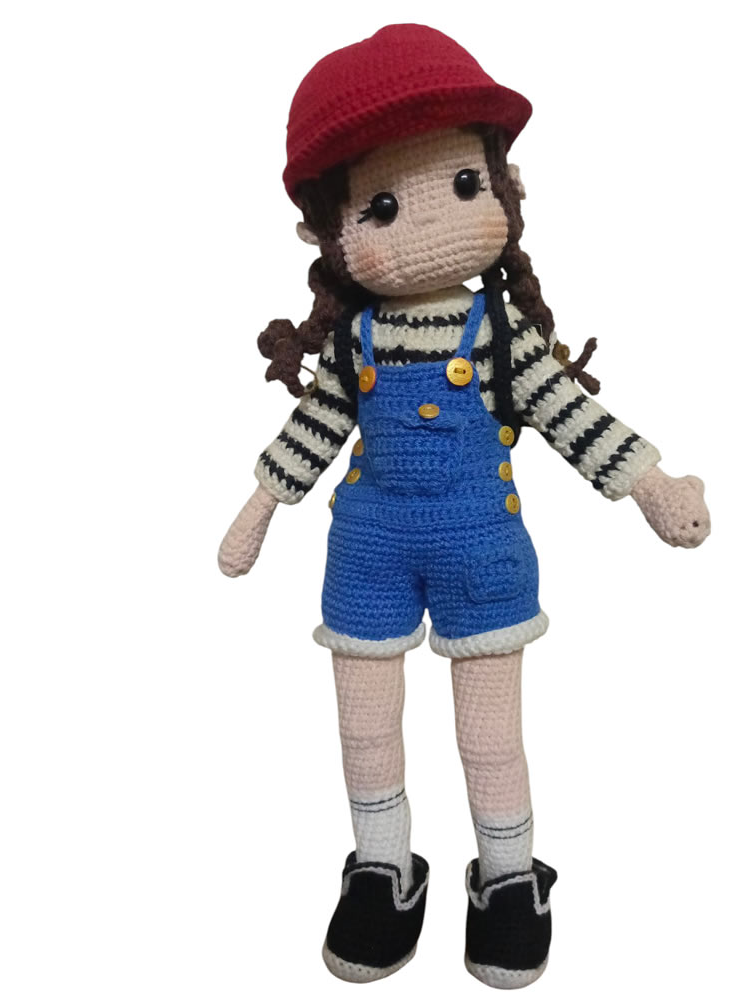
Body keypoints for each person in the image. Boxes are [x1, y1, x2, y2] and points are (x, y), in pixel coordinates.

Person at [218, 23, 710, 989]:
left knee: (490, 737)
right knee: (364, 728)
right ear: (330, 228)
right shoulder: (353, 342)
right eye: (384, 206)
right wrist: (261, 504)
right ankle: (383, 869)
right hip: (367, 550)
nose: (429, 225)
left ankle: (510, 876)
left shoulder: (501, 331)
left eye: (463, 186)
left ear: (501, 186)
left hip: (480, 546)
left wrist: (650, 485)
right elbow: (314, 427)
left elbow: (570, 413)